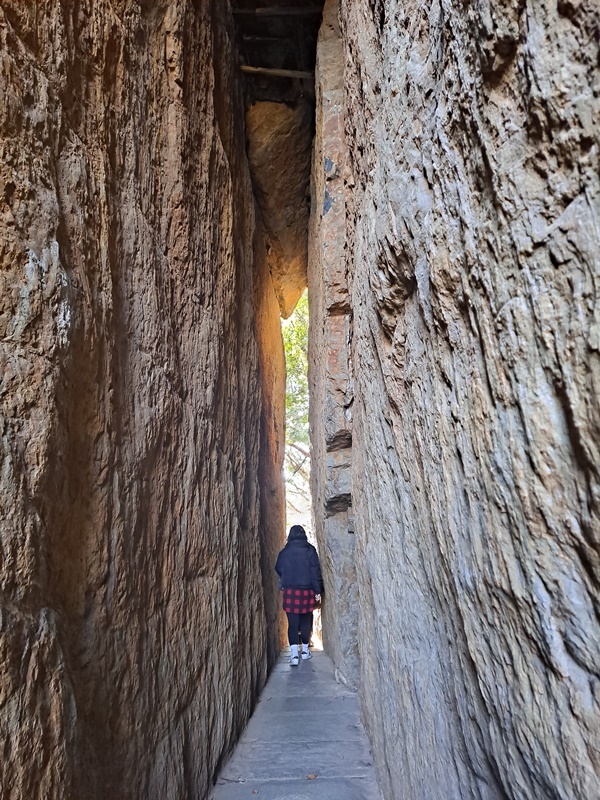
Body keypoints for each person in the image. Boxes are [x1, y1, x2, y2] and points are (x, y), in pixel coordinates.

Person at [275, 525, 324, 666]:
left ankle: (294, 656)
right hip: (307, 590)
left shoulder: (285, 552)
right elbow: (315, 572)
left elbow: (278, 567)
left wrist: (286, 577)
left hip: (290, 591)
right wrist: (317, 591)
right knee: (305, 622)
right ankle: (305, 651)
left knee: (292, 623)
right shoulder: (310, 550)